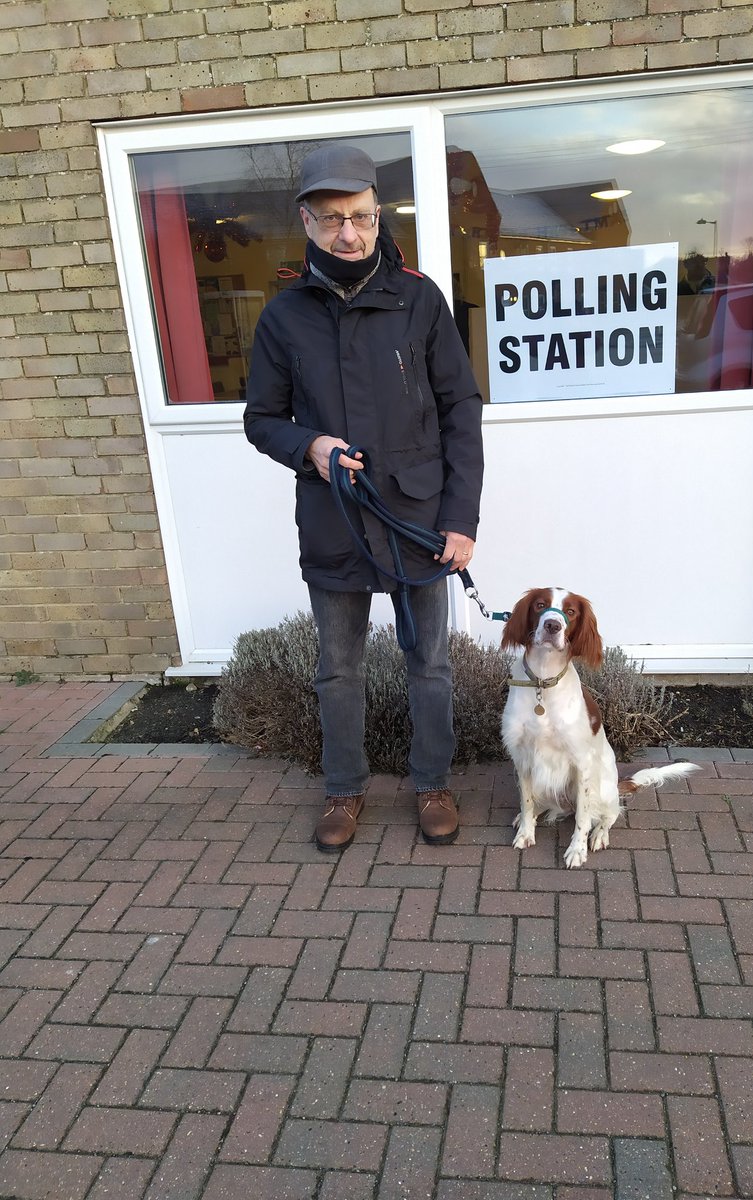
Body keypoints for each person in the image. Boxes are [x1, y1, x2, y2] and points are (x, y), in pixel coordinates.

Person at [243, 143, 484, 854]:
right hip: (334, 516)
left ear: (379, 215)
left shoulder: (419, 298)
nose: (349, 233)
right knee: (337, 667)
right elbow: (262, 419)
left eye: (361, 217)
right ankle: (343, 790)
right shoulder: (283, 316)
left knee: (430, 662)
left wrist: (461, 520)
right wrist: (309, 447)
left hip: (415, 516)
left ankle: (432, 782)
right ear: (307, 221)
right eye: (332, 219)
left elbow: (459, 411)